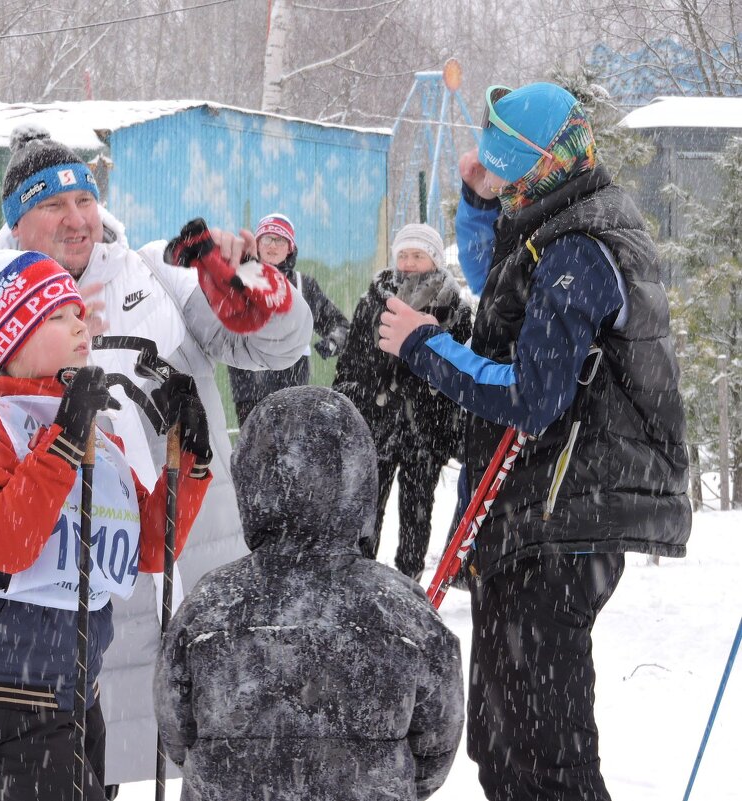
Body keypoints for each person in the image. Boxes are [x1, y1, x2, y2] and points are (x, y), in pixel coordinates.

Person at [377, 82, 692, 801]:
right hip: (534, 517)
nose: (503, 182)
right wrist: (482, 203)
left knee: (545, 757)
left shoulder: (581, 247)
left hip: (558, 518)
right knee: (503, 746)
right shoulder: (569, 220)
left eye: (507, 169)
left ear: (541, 165)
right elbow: (507, 292)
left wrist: (424, 346)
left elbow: (533, 395)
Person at [0, 127, 313, 785]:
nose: (76, 219)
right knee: (91, 763)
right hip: (81, 592)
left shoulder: (156, 270)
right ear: (18, 223)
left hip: (196, 570)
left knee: (212, 750)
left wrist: (242, 274)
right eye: (52, 204)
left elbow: (274, 344)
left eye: (84, 199)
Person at [0, 249, 212, 800]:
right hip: (2, 694)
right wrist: (67, 438)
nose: (82, 323)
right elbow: (6, 543)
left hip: (74, 686)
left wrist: (190, 463)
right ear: (10, 338)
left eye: (80, 311)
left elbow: (148, 549)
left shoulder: (90, 419)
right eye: (57, 315)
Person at [154, 385, 464, 801]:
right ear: (360, 480)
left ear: (252, 481)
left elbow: (177, 730)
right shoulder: (403, 610)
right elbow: (435, 745)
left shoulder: (211, 603)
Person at [333, 223, 471, 577]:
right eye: (404, 255)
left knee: (417, 508)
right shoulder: (375, 297)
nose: (409, 262)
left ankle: (409, 580)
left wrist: (451, 423)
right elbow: (352, 359)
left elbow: (461, 366)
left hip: (429, 423)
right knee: (367, 505)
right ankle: (360, 575)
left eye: (418, 255)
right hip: (376, 420)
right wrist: (353, 399)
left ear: (435, 260)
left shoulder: (453, 305)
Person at [226, 213, 349, 425]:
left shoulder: (304, 285)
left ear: (290, 247)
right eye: (266, 239)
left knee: (291, 452)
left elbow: (339, 325)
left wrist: (333, 341)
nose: (272, 246)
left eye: (280, 240)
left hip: (293, 386)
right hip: (249, 386)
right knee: (254, 451)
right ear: (256, 244)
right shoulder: (239, 280)